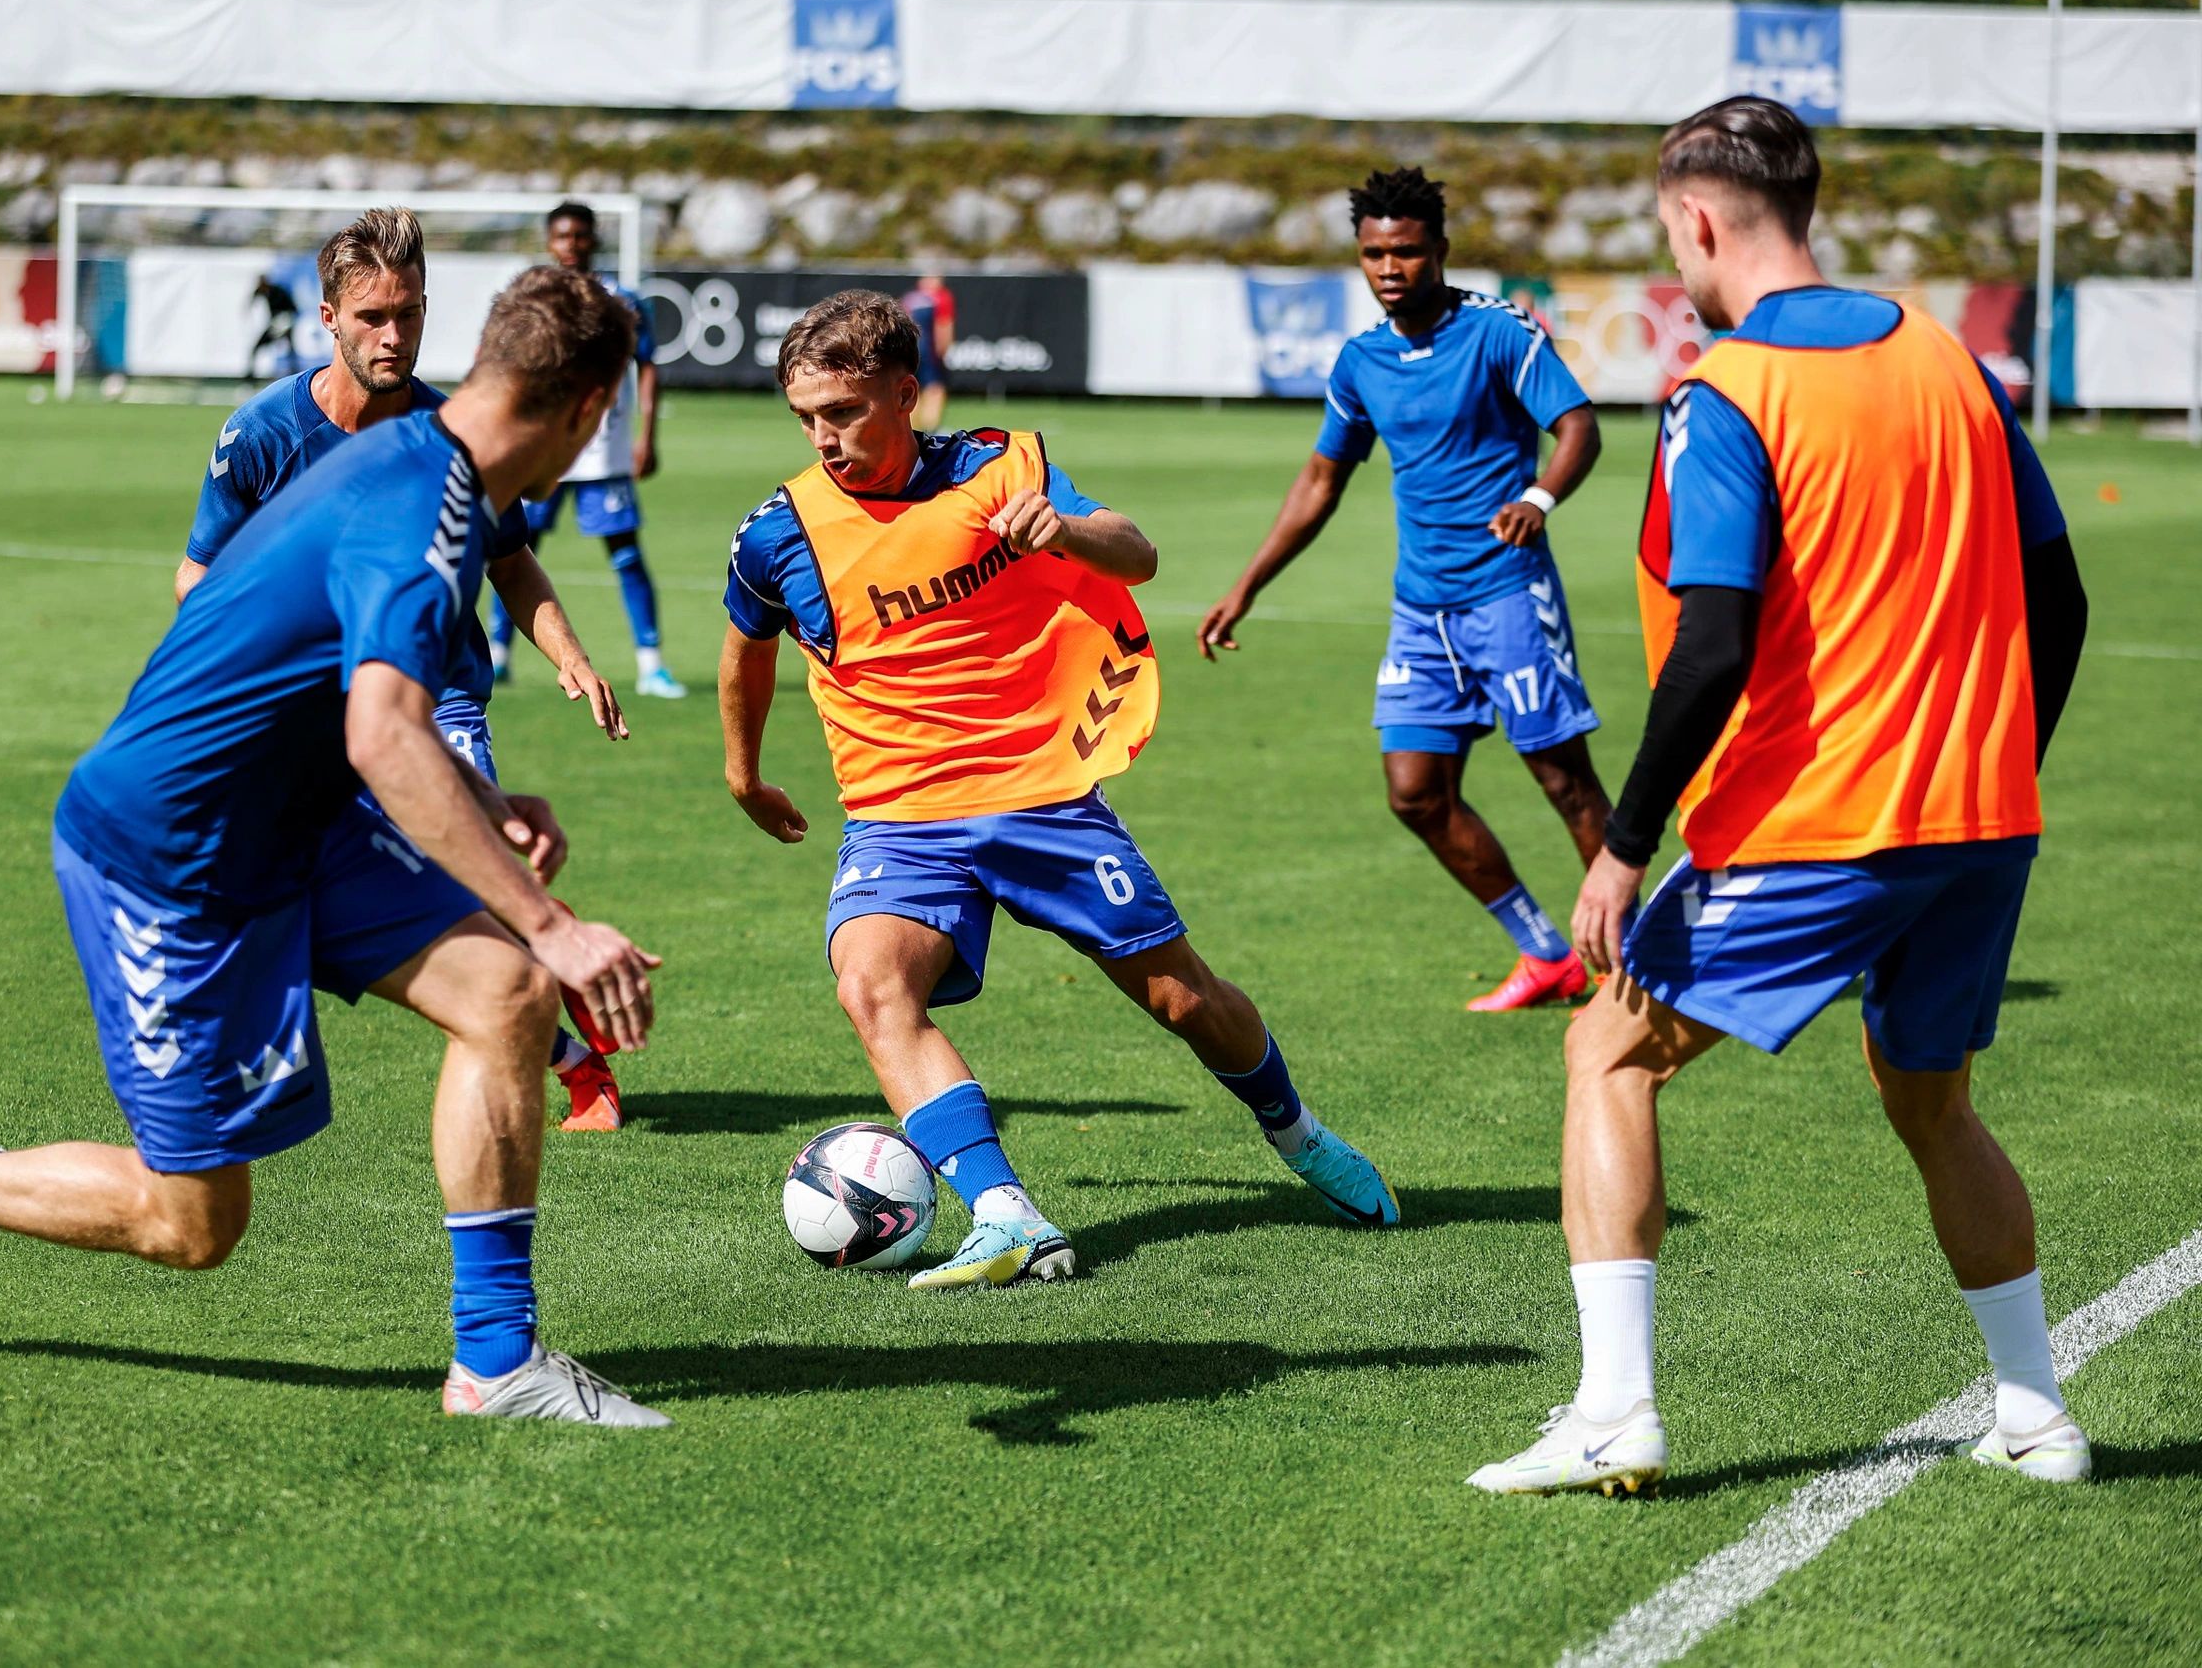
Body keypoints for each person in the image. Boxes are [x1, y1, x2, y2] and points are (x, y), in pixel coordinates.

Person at [0, 268, 675, 1427]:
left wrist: (479, 796)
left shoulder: (417, 464)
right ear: (590, 409)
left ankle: (495, 1362)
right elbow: (380, 727)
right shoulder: (419, 505)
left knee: (503, 993)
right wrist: (556, 922)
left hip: (292, 817)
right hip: (174, 855)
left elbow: (348, 703)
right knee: (190, 1223)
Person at [1467, 98, 2090, 1496]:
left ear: (1697, 219)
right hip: (1979, 818)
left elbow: (1716, 638)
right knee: (1930, 1100)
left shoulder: (1726, 389)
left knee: (1606, 1052)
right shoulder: (1954, 360)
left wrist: (1622, 847)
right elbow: (2063, 596)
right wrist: (1998, 753)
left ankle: (1615, 1405)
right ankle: (2038, 1409)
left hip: (1823, 821)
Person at [720, 290, 1399, 1291]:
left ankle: (1296, 1134)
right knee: (871, 986)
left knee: (1181, 997)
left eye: (846, 413)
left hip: (1038, 794)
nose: (824, 438)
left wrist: (1066, 533)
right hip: (899, 814)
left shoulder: (1002, 467)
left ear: (905, 396)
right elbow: (745, 649)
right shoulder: (779, 531)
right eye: (807, 418)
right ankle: (1006, 1216)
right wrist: (742, 772)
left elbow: (1139, 552)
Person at [176, 208, 630, 1132]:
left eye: (412, 313)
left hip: (435, 692)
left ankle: (579, 1063)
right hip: (309, 707)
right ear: (329, 317)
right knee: (354, 892)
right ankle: (551, 1000)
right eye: (374, 316)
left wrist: (570, 654)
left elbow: (510, 560)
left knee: (467, 864)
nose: (395, 335)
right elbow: (200, 573)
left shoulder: (447, 432)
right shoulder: (261, 434)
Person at [1200, 167, 1610, 1014]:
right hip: (1422, 611)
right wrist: (1247, 585)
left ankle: (1641, 962)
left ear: (1440, 251)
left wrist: (1538, 499)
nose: (1391, 268)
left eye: (1407, 252)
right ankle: (1546, 953)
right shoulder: (1363, 362)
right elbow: (1321, 479)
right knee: (1415, 791)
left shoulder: (1501, 335)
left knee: (1566, 783)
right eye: (1374, 254)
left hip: (1507, 594)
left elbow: (1578, 427)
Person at [490, 202, 682, 699]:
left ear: (594, 240)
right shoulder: (534, 299)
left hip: (603, 453)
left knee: (625, 554)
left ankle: (651, 664)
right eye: (562, 236)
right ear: (549, 242)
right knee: (514, 549)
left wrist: (647, 436)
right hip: (543, 450)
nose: (571, 245)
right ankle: (498, 653)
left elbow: (648, 366)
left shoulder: (622, 300)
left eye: (579, 236)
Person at [900, 273, 957, 430]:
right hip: (929, 350)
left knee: (911, 388)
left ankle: (912, 427)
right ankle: (932, 428)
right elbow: (943, 324)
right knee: (935, 388)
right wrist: (944, 350)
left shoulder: (910, 298)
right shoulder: (941, 297)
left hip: (908, 349)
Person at [245, 272, 299, 381]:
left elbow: (293, 308)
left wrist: (287, 320)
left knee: (289, 349)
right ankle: (250, 378)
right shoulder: (262, 291)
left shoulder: (277, 291)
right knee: (257, 348)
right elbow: (253, 297)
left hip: (284, 321)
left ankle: (295, 375)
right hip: (275, 323)